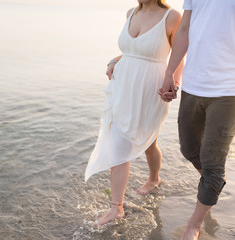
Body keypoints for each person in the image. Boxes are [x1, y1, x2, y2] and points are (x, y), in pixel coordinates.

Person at [158, 0, 235, 239]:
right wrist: (169, 72)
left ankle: (193, 224)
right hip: (194, 83)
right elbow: (184, 29)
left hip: (231, 88)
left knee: (213, 161)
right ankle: (212, 184)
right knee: (189, 149)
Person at [84, 0, 182, 226]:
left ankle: (154, 178)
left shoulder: (172, 17)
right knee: (118, 142)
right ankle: (116, 208)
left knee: (149, 142)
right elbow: (130, 51)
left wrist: (174, 83)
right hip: (122, 88)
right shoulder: (130, 13)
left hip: (150, 91)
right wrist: (113, 61)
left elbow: (179, 56)